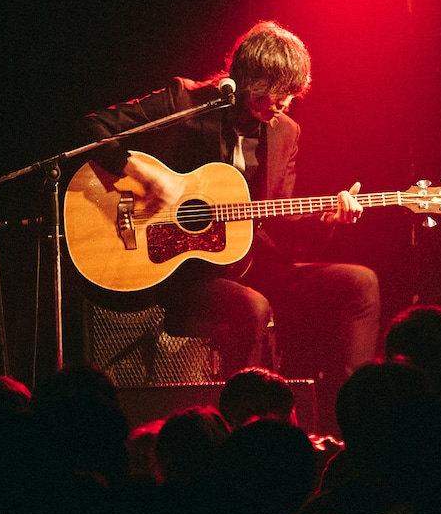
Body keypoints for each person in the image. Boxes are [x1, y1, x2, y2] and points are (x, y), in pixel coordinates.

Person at [76, 20, 380, 386]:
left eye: (291, 93)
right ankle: (242, 413)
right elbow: (93, 127)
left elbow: (281, 224)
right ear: (250, 81)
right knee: (252, 308)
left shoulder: (285, 131)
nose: (284, 103)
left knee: (360, 283)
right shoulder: (186, 102)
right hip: (181, 271)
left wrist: (327, 219)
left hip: (250, 265)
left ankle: (357, 404)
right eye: (277, 91)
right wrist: (141, 173)